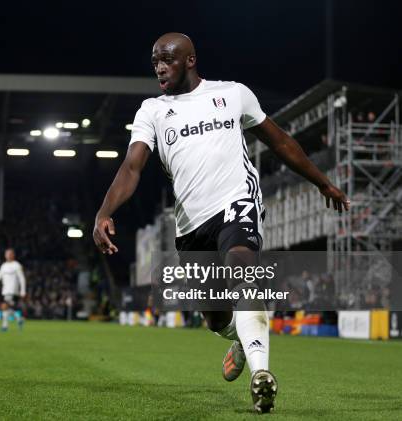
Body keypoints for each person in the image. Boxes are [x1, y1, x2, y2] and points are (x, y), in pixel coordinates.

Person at [93, 32, 350, 414]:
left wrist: (322, 181)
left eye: (167, 59)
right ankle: (241, 339)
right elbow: (132, 167)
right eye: (154, 61)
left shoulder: (233, 94)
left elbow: (278, 141)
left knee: (243, 268)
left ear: (190, 60)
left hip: (237, 203)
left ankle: (261, 375)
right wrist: (104, 211)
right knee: (215, 318)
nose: (159, 67)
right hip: (190, 226)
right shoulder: (152, 110)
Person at [0, 248, 26, 331]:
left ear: (13, 255)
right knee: (6, 308)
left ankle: (5, 326)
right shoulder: (4, 265)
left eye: (10, 254)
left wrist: (23, 291)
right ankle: (19, 319)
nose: (8, 255)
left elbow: (22, 278)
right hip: (5, 290)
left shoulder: (17, 265)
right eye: (7, 254)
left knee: (4, 306)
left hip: (13, 290)